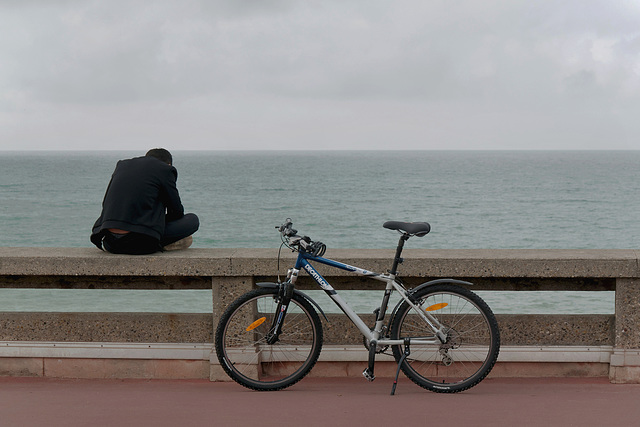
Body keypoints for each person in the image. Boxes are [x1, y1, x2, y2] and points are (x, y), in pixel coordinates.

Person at [90, 148, 199, 255]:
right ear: (168, 164)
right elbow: (177, 212)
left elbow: (105, 204)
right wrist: (159, 219)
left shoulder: (122, 165)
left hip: (110, 243)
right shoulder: (165, 169)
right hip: (141, 243)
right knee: (193, 220)